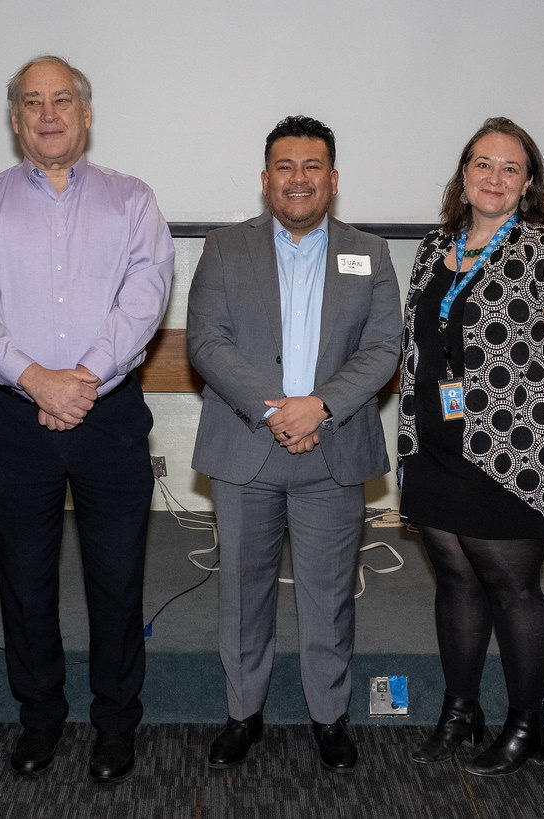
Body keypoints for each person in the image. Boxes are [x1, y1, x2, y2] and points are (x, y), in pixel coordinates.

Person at [0, 55, 174, 784]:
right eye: (32, 102)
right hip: (15, 419)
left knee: (116, 577)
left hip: (110, 418)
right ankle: (40, 716)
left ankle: (115, 722)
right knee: (26, 578)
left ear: (87, 112)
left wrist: (82, 379)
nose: (48, 114)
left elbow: (147, 296)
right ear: (15, 120)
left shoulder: (133, 200)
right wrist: (37, 379)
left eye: (62, 100)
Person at [187, 115, 402, 773]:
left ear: (333, 180)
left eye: (312, 166)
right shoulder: (225, 249)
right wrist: (276, 408)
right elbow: (206, 342)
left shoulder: (371, 250)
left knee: (329, 595)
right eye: (285, 166)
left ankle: (329, 717)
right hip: (247, 447)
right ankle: (242, 713)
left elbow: (384, 346)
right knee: (242, 593)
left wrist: (321, 406)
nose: (298, 178)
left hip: (332, 449)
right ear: (264, 180)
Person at [397, 117, 544, 776]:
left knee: (513, 590)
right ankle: (462, 709)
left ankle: (526, 721)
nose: (494, 177)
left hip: (509, 458)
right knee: (455, 582)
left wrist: (521, 404)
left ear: (527, 183)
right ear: (463, 175)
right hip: (433, 448)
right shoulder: (435, 247)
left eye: (509, 168)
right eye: (482, 164)